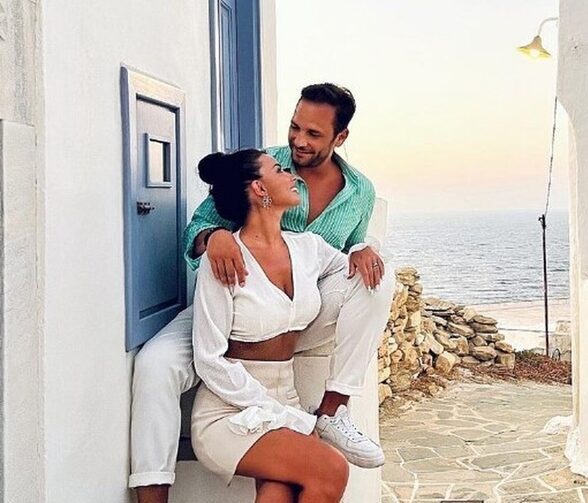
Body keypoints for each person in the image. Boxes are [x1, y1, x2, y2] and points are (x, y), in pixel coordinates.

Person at [130, 83, 396, 503]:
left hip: (300, 309)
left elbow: (345, 257)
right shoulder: (259, 166)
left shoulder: (357, 194)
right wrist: (214, 237)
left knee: (378, 277)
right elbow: (198, 227)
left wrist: (364, 248)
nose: (298, 141)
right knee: (156, 364)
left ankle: (334, 409)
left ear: (340, 137)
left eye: (313, 134)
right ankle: (153, 495)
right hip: (239, 300)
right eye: (295, 127)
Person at [190, 148, 349, 502]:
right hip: (229, 408)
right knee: (331, 469)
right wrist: (283, 416)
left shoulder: (309, 248)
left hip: (286, 396)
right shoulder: (225, 258)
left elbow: (349, 272)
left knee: (280, 492)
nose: (293, 177)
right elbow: (208, 359)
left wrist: (365, 248)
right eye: (279, 170)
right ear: (259, 188)